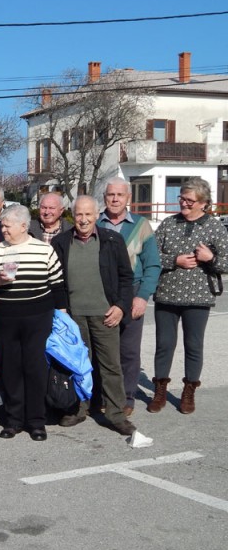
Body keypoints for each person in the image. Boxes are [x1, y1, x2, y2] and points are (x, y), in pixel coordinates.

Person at [0, 204, 66, 441]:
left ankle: (37, 421)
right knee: (10, 369)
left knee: (35, 369)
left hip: (38, 319)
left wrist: (63, 317)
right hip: (6, 318)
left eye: (8, 226)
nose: (3, 230)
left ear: (24, 226)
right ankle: (13, 420)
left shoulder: (44, 250)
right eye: (3, 225)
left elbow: (58, 285)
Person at [52, 196, 136, 436]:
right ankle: (78, 409)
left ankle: (116, 414)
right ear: (72, 216)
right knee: (77, 366)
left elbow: (126, 278)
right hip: (73, 317)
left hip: (105, 315)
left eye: (88, 214)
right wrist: (61, 309)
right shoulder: (61, 242)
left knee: (110, 366)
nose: (83, 219)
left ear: (97, 215)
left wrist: (120, 306)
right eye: (79, 214)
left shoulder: (112, 240)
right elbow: (55, 280)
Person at [150, 177, 228, 414]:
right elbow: (151, 255)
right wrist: (174, 260)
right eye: (181, 198)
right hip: (167, 295)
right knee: (164, 345)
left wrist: (210, 259)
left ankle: (189, 391)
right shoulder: (168, 224)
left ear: (203, 203)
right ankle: (160, 391)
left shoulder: (215, 227)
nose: (183, 203)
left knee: (193, 345)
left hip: (199, 297)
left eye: (189, 200)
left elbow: (226, 262)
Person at [97, 177, 161, 416]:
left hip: (131, 291)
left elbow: (152, 265)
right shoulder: (95, 223)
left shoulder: (141, 225)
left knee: (128, 350)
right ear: (105, 197)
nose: (115, 199)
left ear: (128, 198)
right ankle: (104, 396)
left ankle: (126, 398)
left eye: (120, 195)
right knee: (102, 349)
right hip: (101, 293)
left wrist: (142, 297)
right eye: (111, 195)